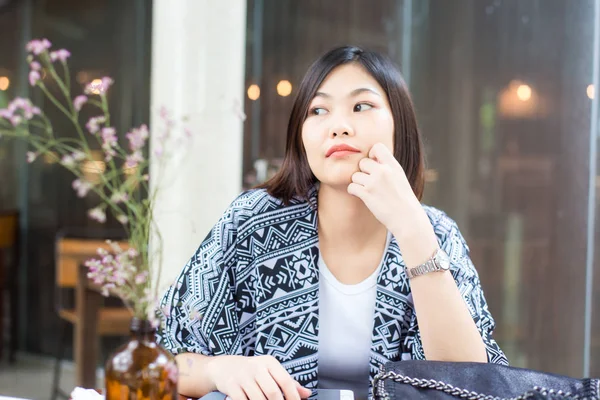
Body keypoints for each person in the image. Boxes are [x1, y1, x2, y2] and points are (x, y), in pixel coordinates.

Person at [157, 45, 508, 400]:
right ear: (301, 134)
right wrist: (217, 369)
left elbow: (472, 385)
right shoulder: (252, 222)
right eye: (318, 110)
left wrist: (412, 229)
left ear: (398, 126)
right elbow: (160, 362)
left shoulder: (436, 233)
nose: (338, 126)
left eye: (361, 106)